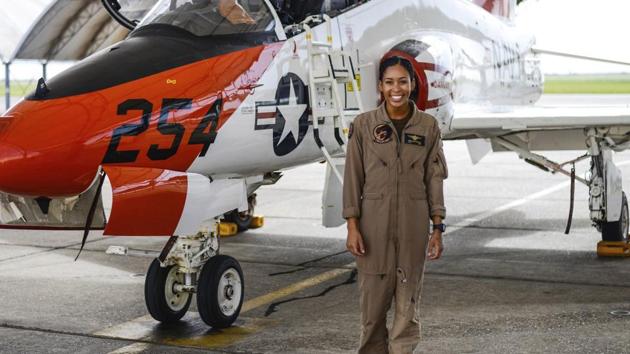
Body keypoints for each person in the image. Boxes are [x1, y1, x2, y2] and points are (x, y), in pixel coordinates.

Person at [343, 56, 448, 354]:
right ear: (380, 86)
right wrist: (352, 227)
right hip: (373, 228)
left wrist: (437, 227)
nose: (396, 88)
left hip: (413, 228)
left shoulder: (428, 127)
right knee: (373, 312)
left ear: (412, 85)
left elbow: (435, 178)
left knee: (407, 310)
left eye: (402, 81)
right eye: (389, 82)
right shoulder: (363, 125)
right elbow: (353, 179)